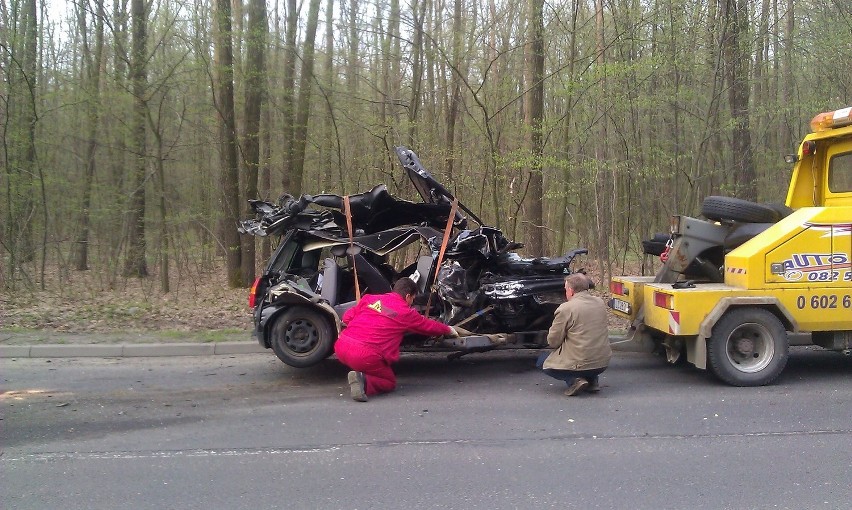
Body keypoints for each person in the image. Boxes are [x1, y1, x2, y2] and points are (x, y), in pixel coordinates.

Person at [334, 277, 458, 402]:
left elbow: (347, 316)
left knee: (367, 362)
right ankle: (363, 381)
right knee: (389, 382)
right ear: (408, 296)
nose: (412, 302)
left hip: (341, 346)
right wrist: (448, 330)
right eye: (413, 299)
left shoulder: (370, 298)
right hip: (365, 355)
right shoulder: (406, 313)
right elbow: (428, 326)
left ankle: (361, 372)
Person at [537, 273, 612, 396]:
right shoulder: (600, 303)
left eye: (566, 289)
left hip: (580, 363)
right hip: (603, 362)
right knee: (588, 351)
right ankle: (593, 380)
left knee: (542, 361)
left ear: (571, 291)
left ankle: (575, 381)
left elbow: (553, 342)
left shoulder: (566, 308)